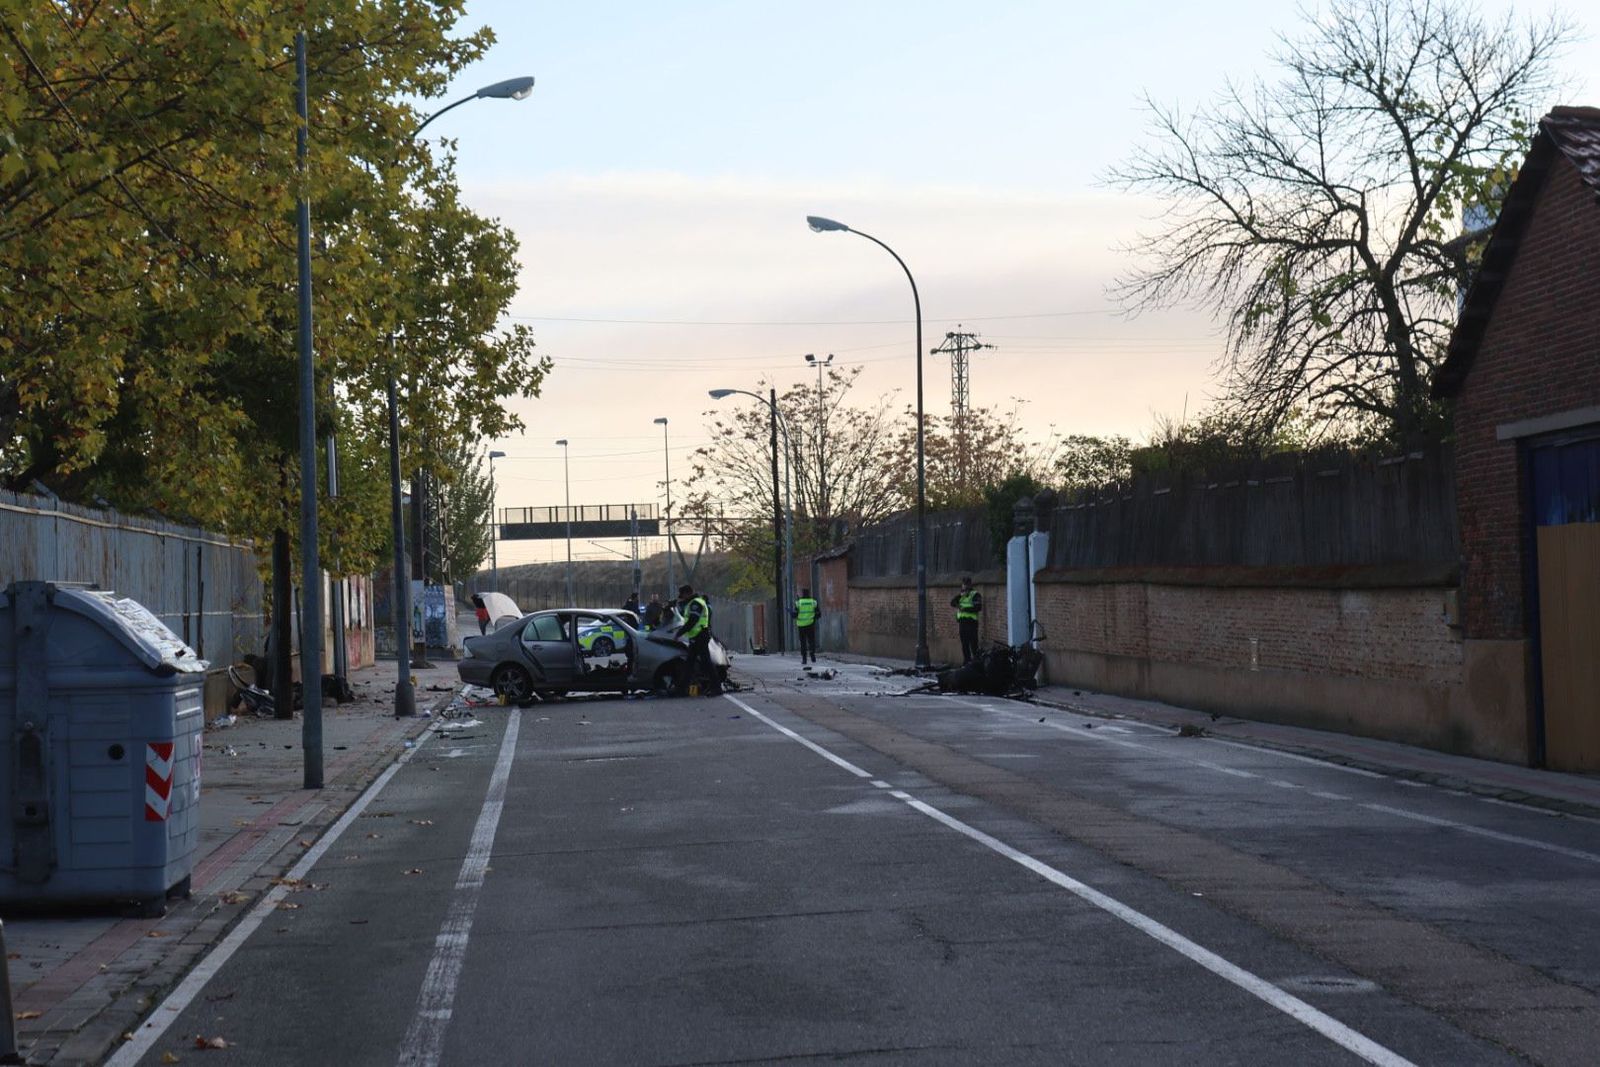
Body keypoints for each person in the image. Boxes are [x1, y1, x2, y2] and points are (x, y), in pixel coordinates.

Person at [673, 583, 720, 695]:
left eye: (683, 595)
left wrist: (679, 633)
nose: (682, 598)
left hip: (700, 636)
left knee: (705, 663)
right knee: (689, 663)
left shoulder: (696, 604)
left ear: (687, 593)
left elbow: (692, 621)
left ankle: (716, 688)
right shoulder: (693, 603)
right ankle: (682, 689)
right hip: (696, 637)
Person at [951, 576, 982, 664]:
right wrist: (959, 596)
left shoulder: (975, 594)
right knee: (964, 645)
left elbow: (978, 607)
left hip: (972, 623)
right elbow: (952, 603)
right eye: (964, 584)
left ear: (970, 584)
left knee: (973, 645)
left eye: (966, 584)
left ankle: (976, 663)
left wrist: (965, 609)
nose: (965, 586)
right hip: (962, 623)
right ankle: (966, 662)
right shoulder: (961, 595)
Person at [792, 587, 820, 665]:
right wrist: (814, 618)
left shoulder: (798, 603)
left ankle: (804, 659)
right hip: (810, 624)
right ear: (809, 594)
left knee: (803, 642)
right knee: (811, 640)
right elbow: (818, 614)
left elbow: (795, 614)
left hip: (801, 625)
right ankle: (812, 654)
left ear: (802, 594)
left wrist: (793, 615)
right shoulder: (813, 602)